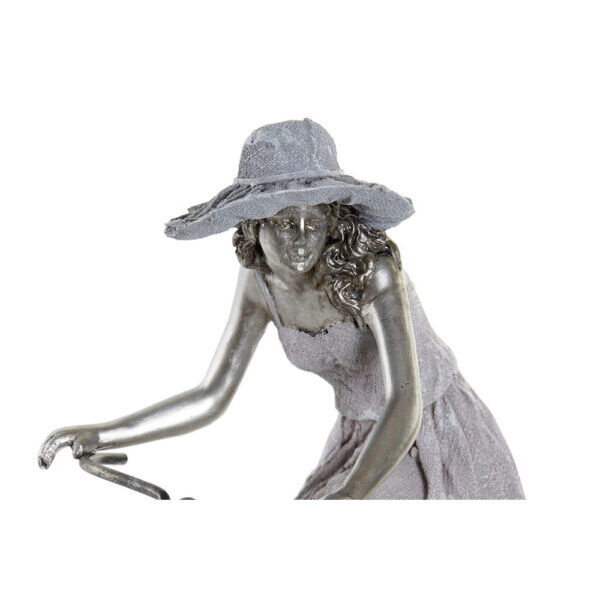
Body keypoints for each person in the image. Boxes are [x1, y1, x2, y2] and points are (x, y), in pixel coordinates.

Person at [38, 119, 524, 499]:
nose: (302, 240)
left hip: (430, 431)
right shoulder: (259, 284)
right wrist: (106, 433)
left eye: (314, 222)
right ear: (253, 225)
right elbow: (212, 394)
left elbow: (404, 401)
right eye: (284, 223)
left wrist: (351, 494)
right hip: (360, 438)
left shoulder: (370, 270)